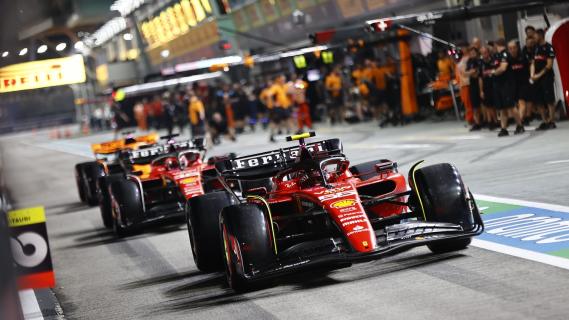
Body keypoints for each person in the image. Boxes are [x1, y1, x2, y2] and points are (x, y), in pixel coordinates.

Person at [491, 38, 524, 137]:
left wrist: (493, 72)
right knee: (502, 108)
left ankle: (519, 125)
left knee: (510, 107)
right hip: (498, 84)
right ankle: (504, 128)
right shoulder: (496, 56)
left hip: (506, 84)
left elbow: (503, 68)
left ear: (497, 44)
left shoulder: (505, 54)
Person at [531, 28, 557, 130]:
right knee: (539, 101)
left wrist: (539, 75)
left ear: (540, 36)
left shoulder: (549, 48)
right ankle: (545, 121)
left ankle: (552, 120)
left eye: (535, 36)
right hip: (536, 78)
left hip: (546, 77)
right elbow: (533, 63)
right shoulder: (535, 48)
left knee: (549, 100)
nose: (534, 38)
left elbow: (549, 65)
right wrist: (532, 74)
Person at [508, 40, 531, 130]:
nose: (512, 50)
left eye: (514, 48)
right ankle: (519, 120)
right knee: (515, 105)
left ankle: (520, 123)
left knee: (522, 102)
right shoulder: (507, 60)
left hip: (523, 83)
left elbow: (530, 66)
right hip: (512, 85)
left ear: (517, 48)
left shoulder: (523, 57)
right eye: (510, 48)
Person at [479, 46, 498, 130]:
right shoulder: (481, 64)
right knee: (488, 105)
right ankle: (493, 121)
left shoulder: (493, 61)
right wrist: (481, 90)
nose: (484, 55)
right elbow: (480, 78)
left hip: (494, 85)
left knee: (495, 104)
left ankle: (496, 120)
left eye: (485, 53)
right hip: (486, 87)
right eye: (482, 53)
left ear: (488, 53)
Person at [456, 44, 474, 124]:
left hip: (469, 82)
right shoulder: (461, 59)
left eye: (464, 47)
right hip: (463, 83)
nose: (462, 49)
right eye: (462, 48)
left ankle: (473, 119)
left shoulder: (470, 58)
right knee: (466, 103)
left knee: (470, 102)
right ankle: (470, 118)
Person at [466, 46, 482, 131]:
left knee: (483, 104)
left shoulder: (479, 61)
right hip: (472, 85)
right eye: (471, 53)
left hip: (480, 83)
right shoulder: (469, 61)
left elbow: (477, 74)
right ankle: (477, 122)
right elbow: (466, 73)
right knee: (475, 105)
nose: (472, 54)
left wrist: (471, 72)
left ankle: (486, 120)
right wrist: (471, 72)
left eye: (474, 53)